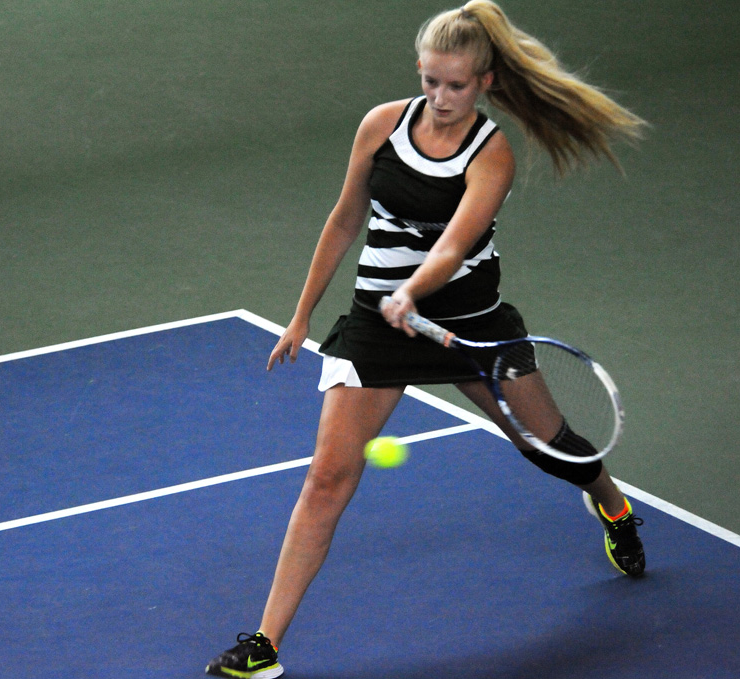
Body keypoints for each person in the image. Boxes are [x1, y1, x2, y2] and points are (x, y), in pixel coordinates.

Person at [205, 2, 647, 677]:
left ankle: (614, 507)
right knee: (326, 478)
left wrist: (412, 293)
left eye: (456, 86)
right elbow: (345, 217)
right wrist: (302, 315)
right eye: (430, 81)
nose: (440, 98)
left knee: (550, 448)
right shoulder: (383, 125)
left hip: (466, 323)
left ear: (486, 83)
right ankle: (263, 646)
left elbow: (454, 243)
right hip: (375, 327)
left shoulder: (491, 152)